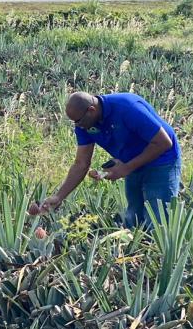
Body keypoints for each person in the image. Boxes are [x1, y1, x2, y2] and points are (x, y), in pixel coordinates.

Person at [29, 91, 181, 228]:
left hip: (162, 160)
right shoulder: (84, 123)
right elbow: (81, 163)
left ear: (91, 110)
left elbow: (164, 142)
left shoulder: (127, 108)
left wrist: (126, 168)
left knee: (159, 222)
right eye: (74, 122)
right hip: (133, 162)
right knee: (134, 218)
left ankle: (158, 255)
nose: (78, 126)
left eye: (79, 121)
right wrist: (59, 196)